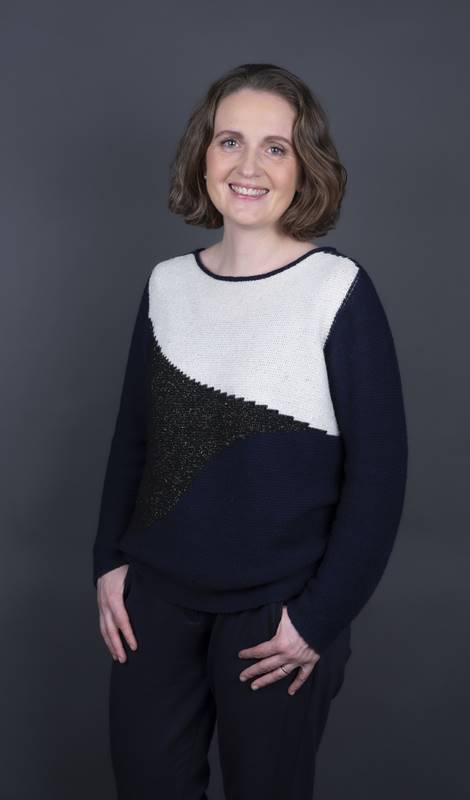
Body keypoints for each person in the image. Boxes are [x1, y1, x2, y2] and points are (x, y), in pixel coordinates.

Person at [92, 62, 408, 799]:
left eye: (276, 147)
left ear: (305, 167)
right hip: (154, 604)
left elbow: (380, 477)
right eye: (230, 141)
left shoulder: (337, 291)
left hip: (277, 616)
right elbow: (133, 439)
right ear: (202, 154)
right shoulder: (167, 284)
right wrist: (108, 560)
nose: (248, 166)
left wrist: (318, 619)